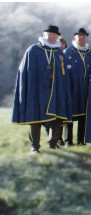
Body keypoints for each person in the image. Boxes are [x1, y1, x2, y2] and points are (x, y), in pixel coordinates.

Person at [12, 25, 72, 153]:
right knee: (36, 118)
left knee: (57, 117)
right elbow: (25, 72)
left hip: (55, 91)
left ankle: (53, 143)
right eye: (50, 35)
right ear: (44, 35)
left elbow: (64, 75)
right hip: (38, 91)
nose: (52, 38)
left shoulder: (59, 53)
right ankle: (35, 146)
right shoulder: (33, 50)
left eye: (55, 36)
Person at [63, 28, 91, 147]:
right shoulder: (68, 52)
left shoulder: (90, 53)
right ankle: (68, 141)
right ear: (75, 38)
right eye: (79, 36)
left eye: (83, 36)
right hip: (71, 89)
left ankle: (81, 140)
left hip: (86, 90)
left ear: (86, 38)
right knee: (69, 115)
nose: (81, 38)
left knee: (84, 116)